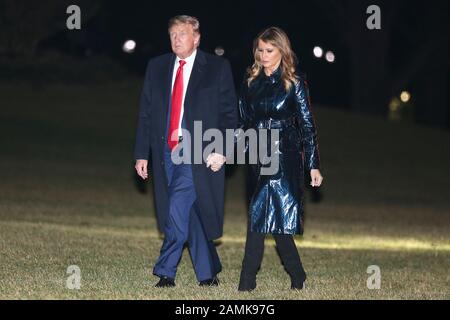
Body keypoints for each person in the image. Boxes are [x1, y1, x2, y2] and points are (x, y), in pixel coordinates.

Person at [134, 15, 238, 288]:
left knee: (177, 206)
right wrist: (141, 153)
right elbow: (146, 114)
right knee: (187, 211)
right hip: (164, 152)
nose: (176, 39)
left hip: (197, 152)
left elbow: (229, 115)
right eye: (172, 35)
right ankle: (207, 273)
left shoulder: (217, 68)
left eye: (182, 34)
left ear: (197, 37)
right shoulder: (156, 67)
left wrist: (224, 149)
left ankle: (165, 270)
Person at [237, 27, 323, 291]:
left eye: (269, 50)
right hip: (258, 154)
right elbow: (242, 121)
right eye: (260, 50)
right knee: (260, 216)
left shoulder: (294, 82)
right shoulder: (251, 81)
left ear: (282, 51)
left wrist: (313, 165)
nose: (263, 56)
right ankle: (275, 278)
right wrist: (226, 151)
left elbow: (307, 125)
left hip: (284, 155)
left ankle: (253, 281)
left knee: (276, 221)